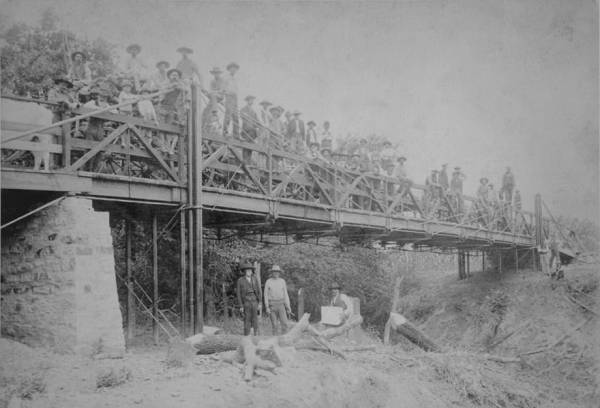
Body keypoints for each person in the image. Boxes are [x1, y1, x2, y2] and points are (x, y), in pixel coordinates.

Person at [263, 265, 291, 335]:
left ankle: (284, 341)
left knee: (285, 324)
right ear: (272, 273)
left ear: (279, 273)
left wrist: (288, 307)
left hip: (281, 305)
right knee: (274, 325)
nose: (276, 273)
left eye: (277, 272)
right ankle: (274, 342)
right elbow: (265, 295)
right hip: (272, 305)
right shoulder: (268, 281)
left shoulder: (282, 281)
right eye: (274, 272)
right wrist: (267, 307)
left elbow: (285, 295)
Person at [236, 262, 262, 336]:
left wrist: (260, 302)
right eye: (247, 270)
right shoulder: (240, 280)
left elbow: (259, 291)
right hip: (246, 302)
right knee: (247, 319)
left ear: (252, 271)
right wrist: (241, 306)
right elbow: (238, 294)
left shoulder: (255, 279)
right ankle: (246, 337)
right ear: (244, 271)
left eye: (250, 270)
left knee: (255, 319)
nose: (249, 272)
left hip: (254, 301)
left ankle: (256, 336)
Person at [223, 62, 240, 138]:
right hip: (229, 97)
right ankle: (225, 131)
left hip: (234, 97)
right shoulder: (226, 78)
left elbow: (236, 90)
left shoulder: (236, 79)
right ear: (229, 70)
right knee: (228, 115)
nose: (234, 70)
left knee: (236, 116)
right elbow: (223, 89)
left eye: (235, 69)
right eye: (232, 69)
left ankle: (236, 134)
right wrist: (226, 95)